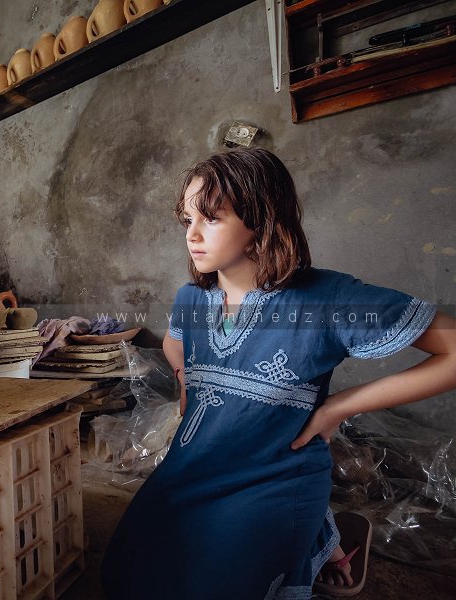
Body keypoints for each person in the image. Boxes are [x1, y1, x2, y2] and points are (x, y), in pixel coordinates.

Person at [100, 148, 456, 598]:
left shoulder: (328, 299)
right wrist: (185, 378)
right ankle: (321, 540)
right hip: (196, 464)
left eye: (210, 218)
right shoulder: (192, 298)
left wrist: (336, 409)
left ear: (261, 220)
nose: (191, 235)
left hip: (274, 478)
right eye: (186, 220)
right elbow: (176, 342)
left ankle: (314, 538)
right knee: (123, 573)